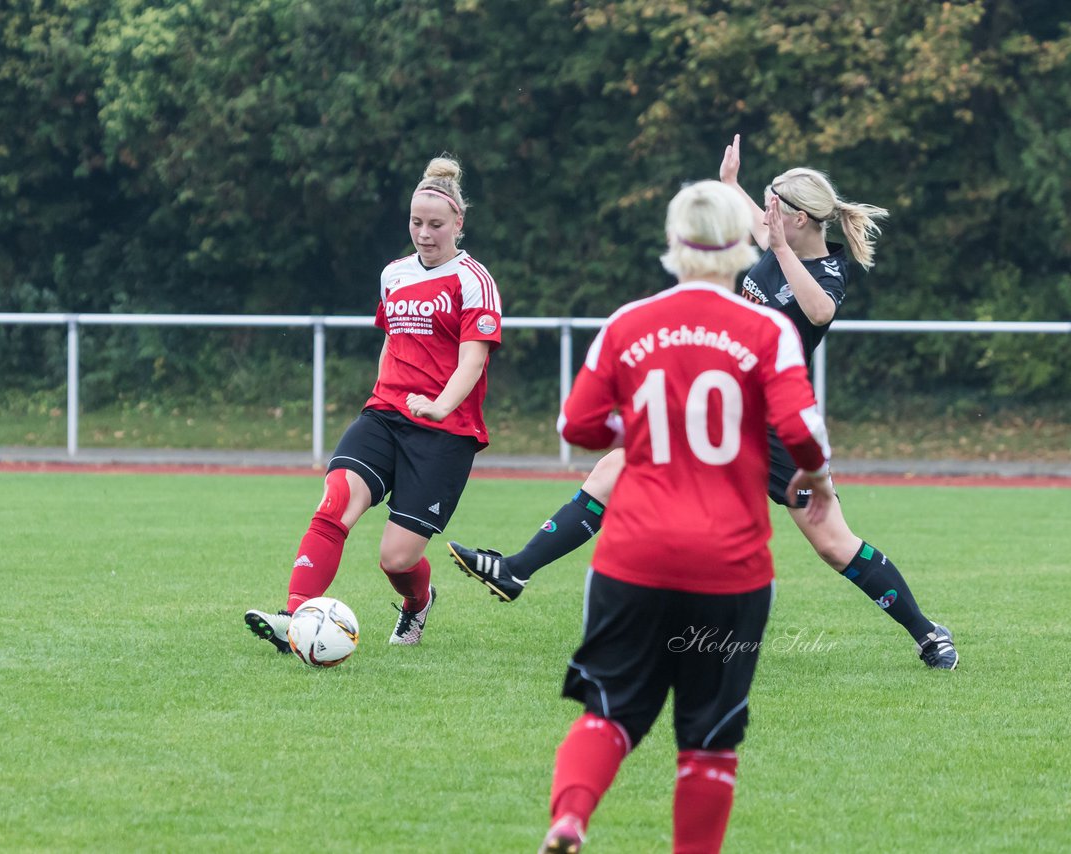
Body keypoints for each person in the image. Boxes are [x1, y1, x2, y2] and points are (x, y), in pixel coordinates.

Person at [451, 135, 958, 671]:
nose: (765, 216)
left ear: (803, 221)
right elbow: (746, 217)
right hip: (722, 405)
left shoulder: (830, 270)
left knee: (834, 543)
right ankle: (516, 570)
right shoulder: (776, 234)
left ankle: (927, 634)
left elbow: (819, 313)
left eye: (775, 208)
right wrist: (731, 183)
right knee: (612, 469)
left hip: (776, 422)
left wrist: (778, 246)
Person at [537, 180, 836, 854]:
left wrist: (639, 425)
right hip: (729, 569)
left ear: (674, 245)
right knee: (709, 741)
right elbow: (804, 436)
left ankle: (571, 818)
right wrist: (813, 478)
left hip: (633, 558)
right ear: (743, 249)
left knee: (608, 712)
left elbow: (576, 425)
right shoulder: (768, 331)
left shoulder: (627, 324)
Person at [244, 156, 502, 649]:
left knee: (397, 559)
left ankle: (417, 603)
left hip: (446, 432)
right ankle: (294, 619)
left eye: (435, 225)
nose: (423, 234)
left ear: (458, 225)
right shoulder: (394, 274)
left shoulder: (474, 280)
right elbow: (392, 341)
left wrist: (440, 406)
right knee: (335, 501)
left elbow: (474, 359)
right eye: (415, 222)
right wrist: (383, 395)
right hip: (385, 415)